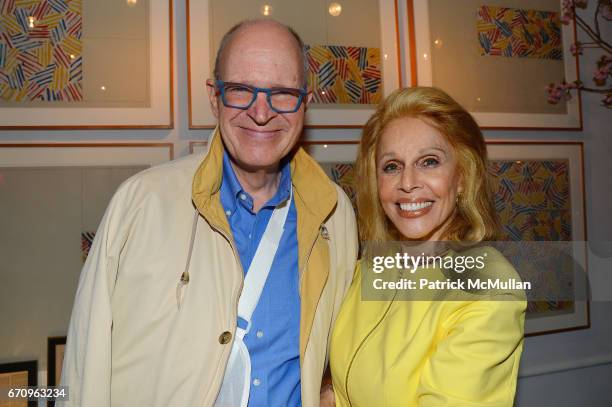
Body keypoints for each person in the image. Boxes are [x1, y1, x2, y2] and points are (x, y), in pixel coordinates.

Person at [59, 20, 358, 407]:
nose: (261, 113)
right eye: (240, 91)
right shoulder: (141, 205)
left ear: (305, 102)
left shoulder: (335, 214)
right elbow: (84, 368)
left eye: (282, 93)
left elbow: (347, 347)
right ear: (214, 97)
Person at [325, 87, 526, 406]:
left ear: (461, 177)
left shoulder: (487, 286)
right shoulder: (367, 267)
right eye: (391, 166)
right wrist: (329, 390)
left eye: (429, 162)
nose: (407, 183)